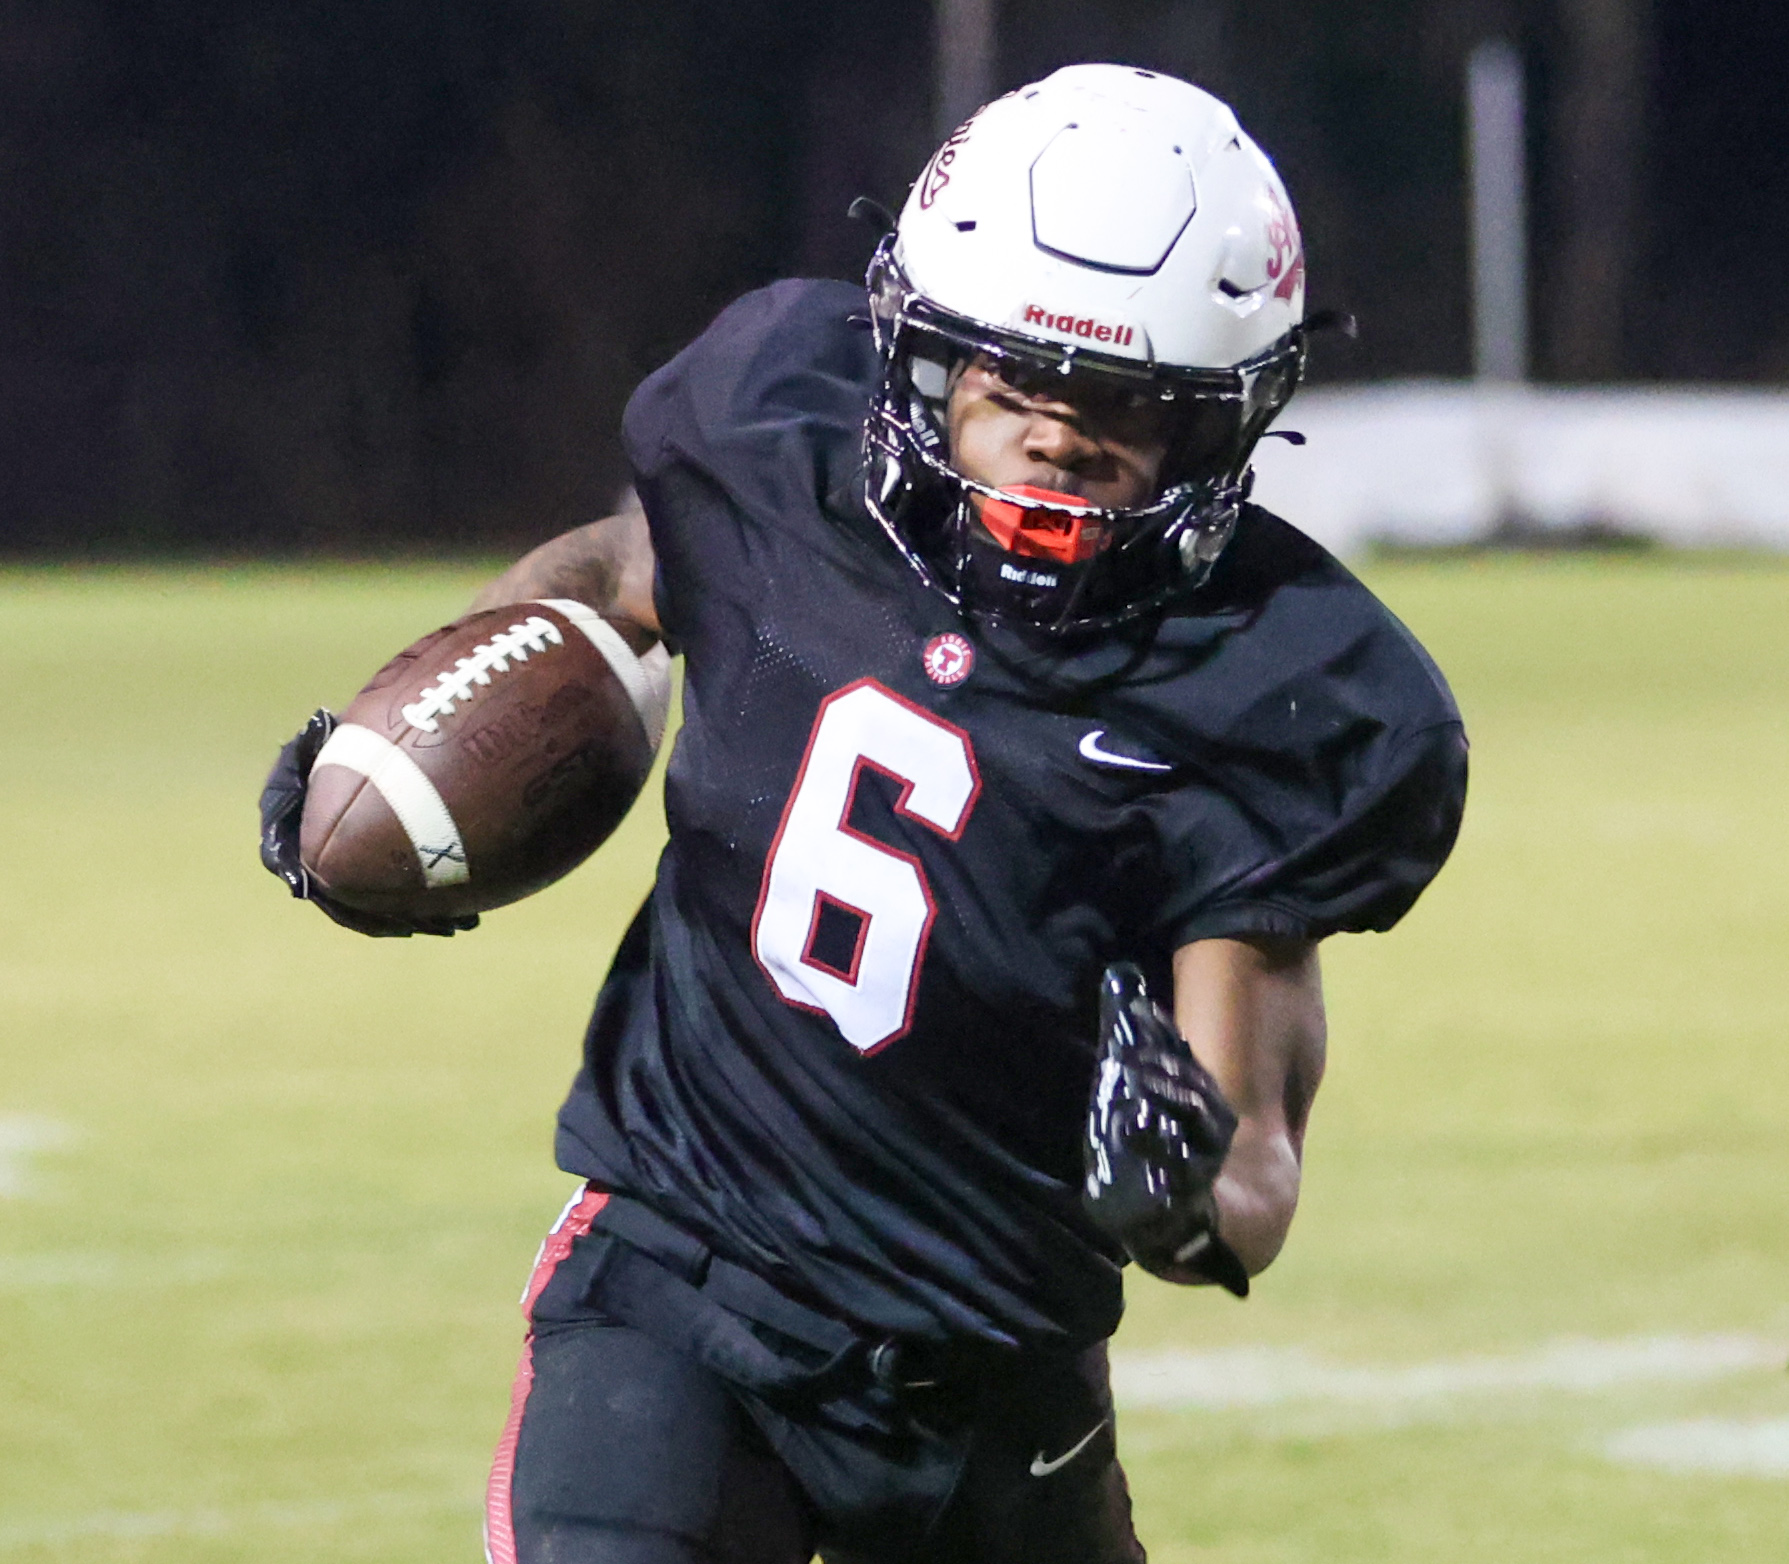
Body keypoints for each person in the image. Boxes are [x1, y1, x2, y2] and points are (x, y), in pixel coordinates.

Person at [265, 63, 1466, 1564]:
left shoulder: (1266, 684)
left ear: (1221, 426)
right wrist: (413, 738)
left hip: (999, 1371)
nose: (1053, 436)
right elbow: (617, 568)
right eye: (1010, 382)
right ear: (919, 353)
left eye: (1120, 406)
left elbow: (1254, 1163)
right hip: (684, 1291)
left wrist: (1182, 1186)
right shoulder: (782, 460)